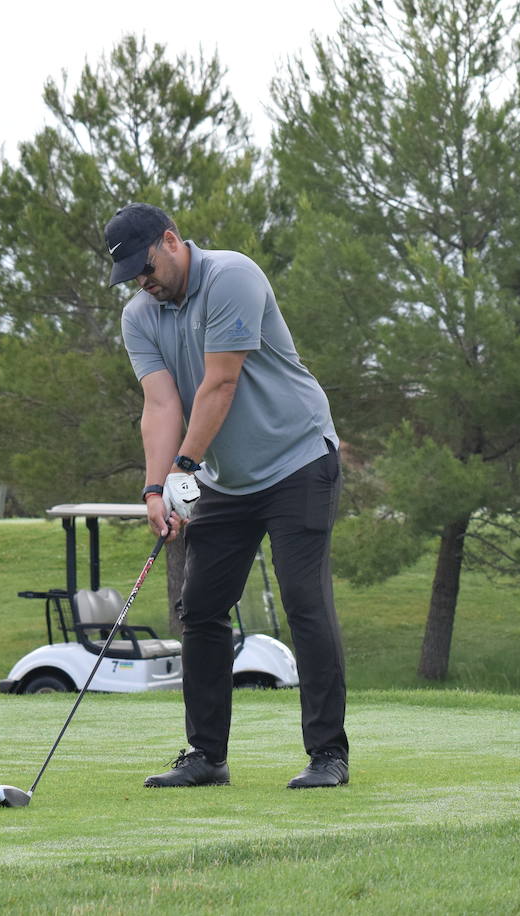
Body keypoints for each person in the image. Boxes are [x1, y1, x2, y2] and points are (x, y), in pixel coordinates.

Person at [105, 202, 349, 789]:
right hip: (228, 480)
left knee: (303, 601)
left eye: (147, 267)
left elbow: (221, 382)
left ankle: (328, 755)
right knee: (202, 609)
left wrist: (186, 466)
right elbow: (161, 406)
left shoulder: (232, 276)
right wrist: (157, 487)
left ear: (171, 240)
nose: (143, 282)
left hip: (298, 459)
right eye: (133, 276)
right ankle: (206, 755)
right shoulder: (141, 315)